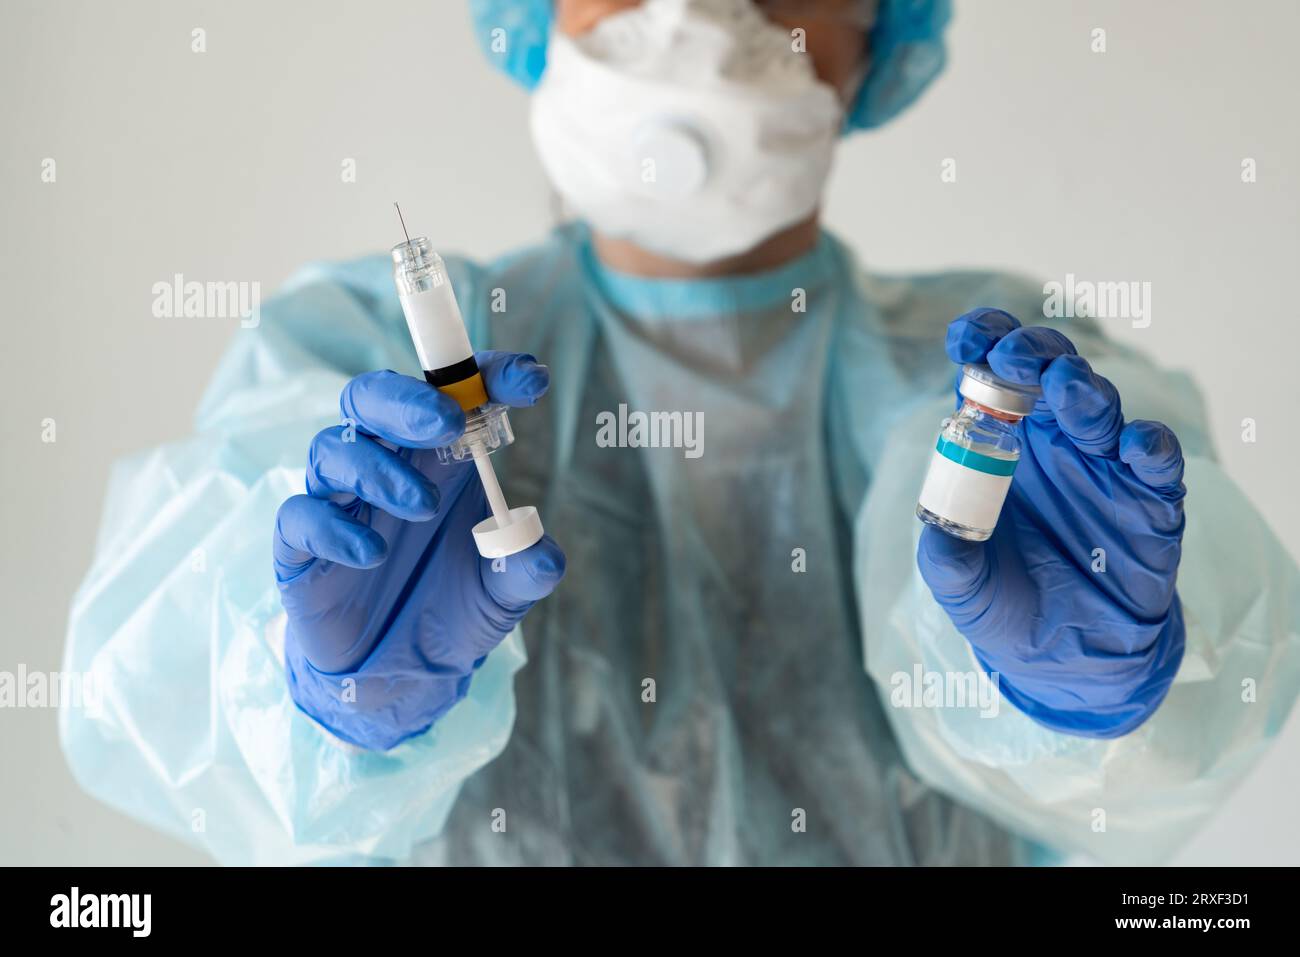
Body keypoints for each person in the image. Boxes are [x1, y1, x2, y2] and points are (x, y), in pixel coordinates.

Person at [61, 0, 1300, 865]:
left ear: (882, 43)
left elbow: (1185, 735)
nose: (703, 22)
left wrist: (1082, 696)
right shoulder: (352, 364)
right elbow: (169, 700)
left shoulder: (1001, 366)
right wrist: (312, 697)